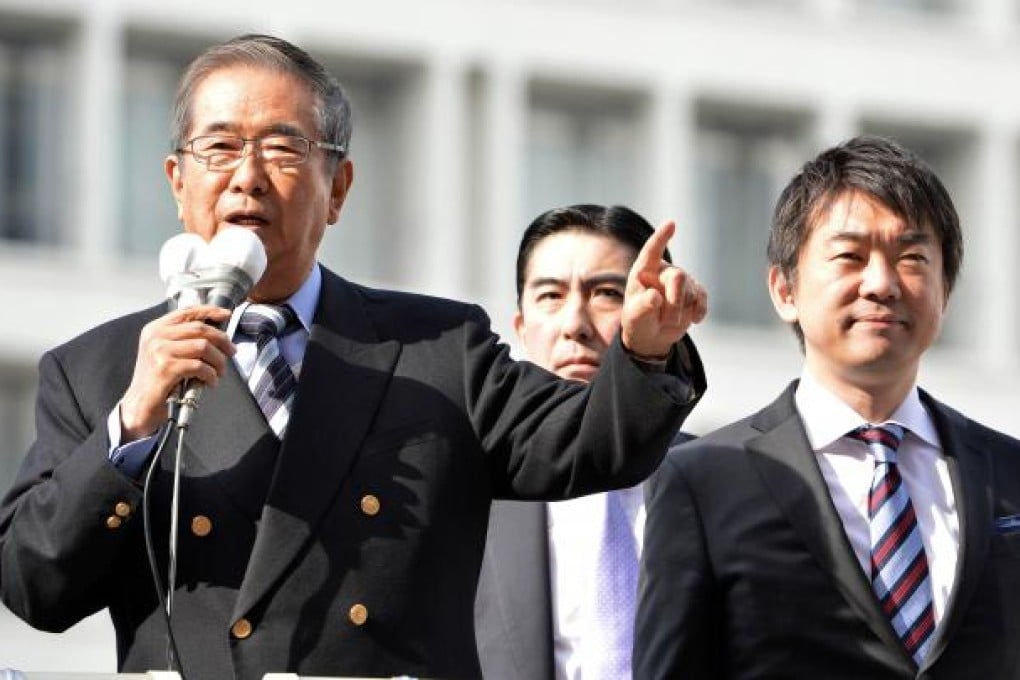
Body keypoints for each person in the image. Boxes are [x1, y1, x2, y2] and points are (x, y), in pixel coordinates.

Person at [0, 34, 708, 680]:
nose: (246, 177)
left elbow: (588, 445)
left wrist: (645, 351)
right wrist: (132, 424)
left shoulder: (435, 346)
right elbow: (35, 586)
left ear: (337, 189)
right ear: (176, 182)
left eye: (282, 149)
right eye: (218, 148)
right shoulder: (97, 369)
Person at [634, 134, 1020, 679]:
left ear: (945, 290)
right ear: (784, 290)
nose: (882, 284)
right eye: (850, 257)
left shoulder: (1008, 473)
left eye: (912, 258)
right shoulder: (704, 481)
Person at [475, 204, 701, 680]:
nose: (574, 324)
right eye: (551, 296)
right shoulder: (467, 492)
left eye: (605, 294)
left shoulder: (716, 480)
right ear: (519, 328)